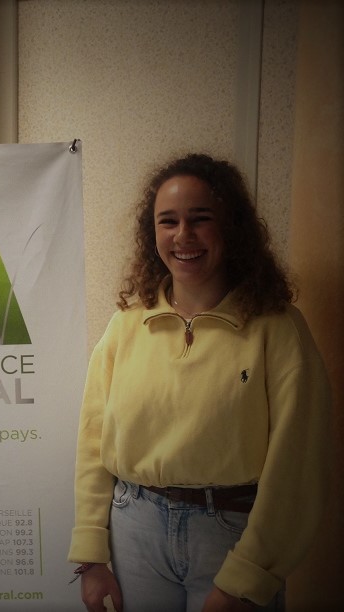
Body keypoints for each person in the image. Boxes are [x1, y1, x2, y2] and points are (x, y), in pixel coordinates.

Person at [68, 153, 331, 612]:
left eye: (200, 218)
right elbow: (93, 443)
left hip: (232, 535)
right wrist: (91, 555)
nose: (183, 235)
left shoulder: (277, 329)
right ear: (152, 233)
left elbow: (296, 464)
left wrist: (247, 576)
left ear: (231, 226)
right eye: (168, 221)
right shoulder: (126, 325)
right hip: (133, 531)